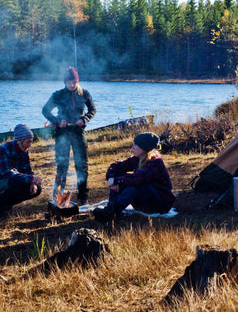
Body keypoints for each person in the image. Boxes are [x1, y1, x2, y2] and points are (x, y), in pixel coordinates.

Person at [42, 66, 96, 205]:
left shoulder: (84, 93)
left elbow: (93, 110)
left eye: (74, 82)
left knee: (81, 165)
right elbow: (45, 110)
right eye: (69, 82)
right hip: (62, 133)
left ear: (77, 81)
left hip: (78, 132)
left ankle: (83, 197)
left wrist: (84, 119)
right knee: (62, 164)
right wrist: (58, 121)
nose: (72, 85)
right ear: (65, 82)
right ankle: (58, 195)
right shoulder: (58, 94)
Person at [94, 132, 175, 222]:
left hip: (160, 205)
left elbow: (138, 178)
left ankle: (111, 212)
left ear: (144, 147)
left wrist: (116, 180)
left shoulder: (156, 162)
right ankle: (111, 209)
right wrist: (112, 179)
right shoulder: (137, 159)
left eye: (136, 145)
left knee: (133, 185)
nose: (132, 147)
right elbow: (115, 166)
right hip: (146, 201)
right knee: (121, 178)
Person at [0, 124, 43, 217]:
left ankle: (7, 205)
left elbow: (27, 170)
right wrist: (30, 178)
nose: (30, 145)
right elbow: (7, 173)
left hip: (12, 180)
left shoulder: (24, 151)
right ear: (19, 141)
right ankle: (2, 207)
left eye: (31, 142)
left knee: (37, 189)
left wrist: (33, 183)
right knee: (17, 184)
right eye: (28, 142)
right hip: (3, 180)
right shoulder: (4, 149)